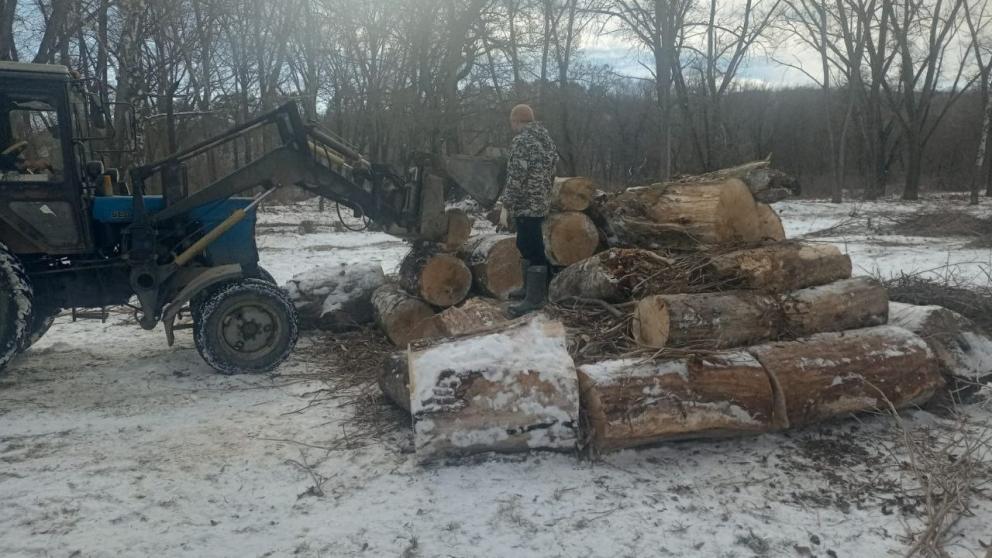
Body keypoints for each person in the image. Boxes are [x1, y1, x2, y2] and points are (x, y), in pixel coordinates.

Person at [503, 103, 558, 316]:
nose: (512, 126)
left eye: (512, 122)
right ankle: (529, 289)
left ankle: (535, 299)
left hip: (526, 203)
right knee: (526, 243)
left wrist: (506, 203)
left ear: (517, 121)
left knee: (531, 246)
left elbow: (516, 176)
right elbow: (552, 170)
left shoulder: (522, 141)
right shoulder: (546, 140)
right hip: (540, 201)